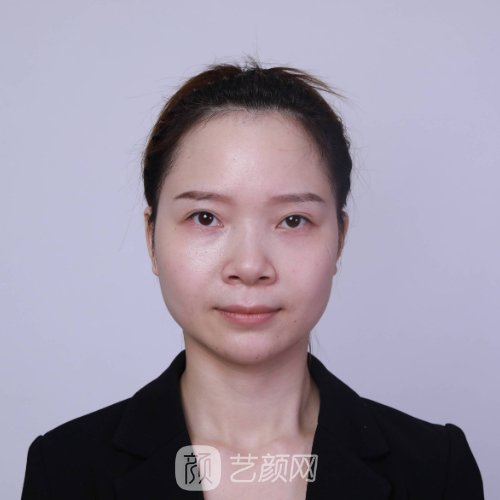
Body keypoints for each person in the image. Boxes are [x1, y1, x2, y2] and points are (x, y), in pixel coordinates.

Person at [21, 61, 484, 499]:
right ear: (151, 237)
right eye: (206, 217)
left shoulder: (434, 469)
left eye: (293, 220)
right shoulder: (64, 470)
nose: (249, 265)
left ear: (340, 239)